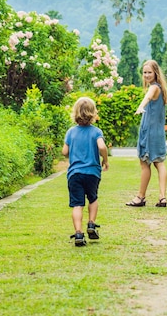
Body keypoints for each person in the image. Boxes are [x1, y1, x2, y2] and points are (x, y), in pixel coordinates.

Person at [62, 96, 109, 246]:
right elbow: (102, 147)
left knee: (77, 204)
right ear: (93, 113)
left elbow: (64, 152)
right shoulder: (96, 132)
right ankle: (91, 224)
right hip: (92, 173)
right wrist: (105, 160)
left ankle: (78, 233)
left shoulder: (71, 132)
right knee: (93, 198)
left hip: (74, 174)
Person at [126, 60, 167, 208]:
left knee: (145, 165)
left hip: (149, 132)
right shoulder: (162, 89)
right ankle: (162, 197)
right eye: (144, 72)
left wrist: (140, 106)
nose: (146, 75)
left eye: (149, 72)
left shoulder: (154, 88)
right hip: (158, 132)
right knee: (159, 163)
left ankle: (140, 197)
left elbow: (148, 97)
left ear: (155, 73)